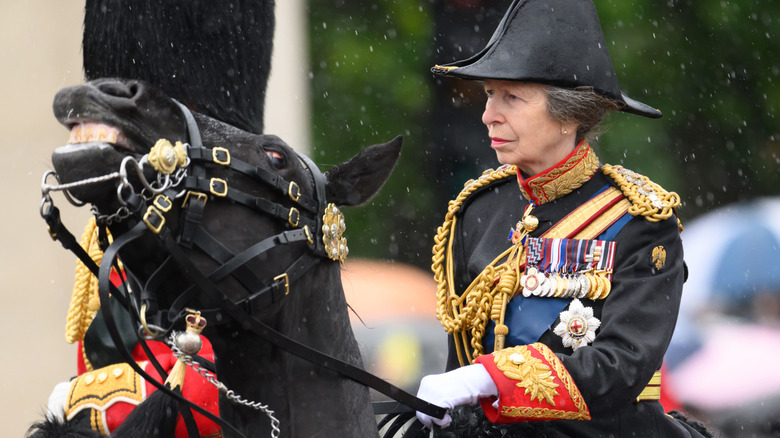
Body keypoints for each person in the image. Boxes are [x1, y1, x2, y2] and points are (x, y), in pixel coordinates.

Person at [415, 0, 712, 436]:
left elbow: (622, 366)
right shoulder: (477, 209)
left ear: (570, 114)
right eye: (489, 94)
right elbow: (459, 358)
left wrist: (489, 377)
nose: (488, 114)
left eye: (512, 97)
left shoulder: (640, 221)